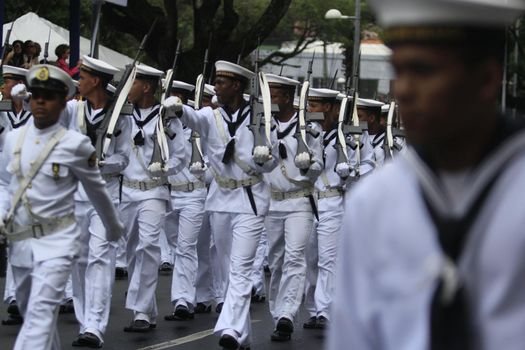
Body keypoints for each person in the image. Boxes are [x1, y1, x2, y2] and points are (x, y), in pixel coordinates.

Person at [328, 1, 525, 350]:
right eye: (398, 71)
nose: (402, 90)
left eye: (423, 71)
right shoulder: (375, 202)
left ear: (486, 78)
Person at [0, 64, 124, 350]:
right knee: (34, 313)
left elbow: (98, 192)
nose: (41, 101)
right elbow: (6, 185)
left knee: (40, 316)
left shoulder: (75, 144)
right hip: (22, 242)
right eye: (37, 95)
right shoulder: (13, 140)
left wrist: (113, 226)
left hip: (58, 242)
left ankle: (93, 324)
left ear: (62, 103)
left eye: (50, 96)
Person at [163, 60, 278, 350]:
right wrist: (176, 105)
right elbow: (190, 117)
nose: (217, 87)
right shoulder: (209, 116)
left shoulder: (261, 117)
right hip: (221, 201)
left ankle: (228, 328)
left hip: (250, 201)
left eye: (222, 82)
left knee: (240, 268)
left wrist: (263, 160)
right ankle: (243, 337)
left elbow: (273, 160)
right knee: (228, 269)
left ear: (237, 86)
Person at [58, 55, 130, 348]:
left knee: (101, 257)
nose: (78, 82)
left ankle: (94, 327)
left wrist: (101, 163)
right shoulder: (73, 109)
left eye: (82, 77)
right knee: (79, 260)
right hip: (75, 197)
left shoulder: (121, 116)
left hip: (106, 196)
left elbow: (124, 159)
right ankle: (85, 318)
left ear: (96, 81)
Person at [120, 64, 186, 332]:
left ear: (146, 87)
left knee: (148, 247)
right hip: (126, 190)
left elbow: (181, 155)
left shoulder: (168, 118)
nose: (129, 88)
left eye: (133, 83)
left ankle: (141, 313)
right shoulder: (122, 115)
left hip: (154, 190)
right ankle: (147, 307)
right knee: (130, 251)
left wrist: (166, 168)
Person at [303, 88, 374, 331]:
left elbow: (369, 162)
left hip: (334, 199)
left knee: (328, 258)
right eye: (309, 104)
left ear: (332, 108)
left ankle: (325, 310)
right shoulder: (306, 132)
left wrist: (353, 172)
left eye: (316, 105)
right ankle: (313, 307)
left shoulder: (354, 135)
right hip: (307, 200)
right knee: (309, 258)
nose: (310, 110)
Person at [261, 74, 323, 342]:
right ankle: (278, 313)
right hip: (273, 201)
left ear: (287, 97)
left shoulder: (309, 128)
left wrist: (307, 165)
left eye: (274, 95)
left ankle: (287, 313)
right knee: (276, 262)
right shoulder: (263, 125)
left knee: (296, 256)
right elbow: (258, 166)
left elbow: (318, 166)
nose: (270, 100)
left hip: (300, 201)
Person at [356, 98, 386, 167]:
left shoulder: (391, 140)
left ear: (372, 118)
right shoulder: (355, 137)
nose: (355, 120)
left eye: (359, 116)